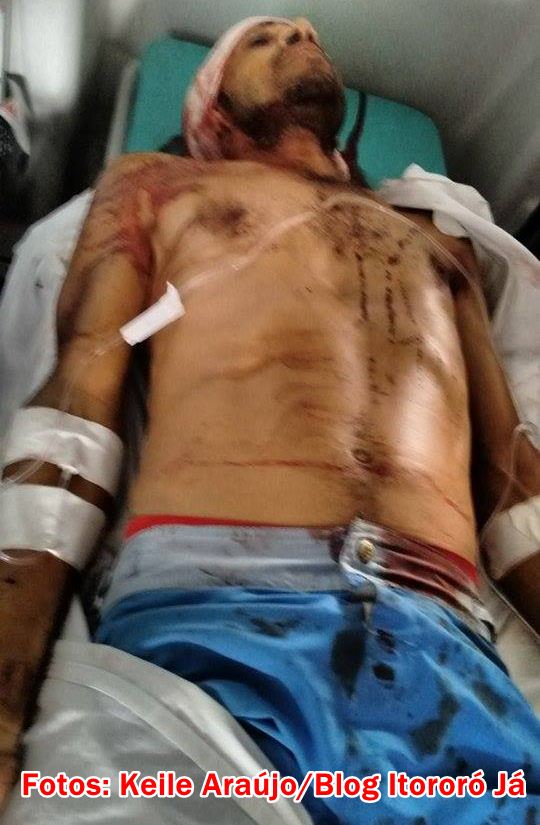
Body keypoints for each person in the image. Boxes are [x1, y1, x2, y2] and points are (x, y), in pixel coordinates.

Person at [0, 16, 539, 823]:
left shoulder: (435, 239)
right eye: (264, 40)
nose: (299, 36)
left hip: (448, 662)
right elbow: (76, 400)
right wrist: (7, 697)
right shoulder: (158, 187)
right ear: (212, 112)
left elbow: (512, 482)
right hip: (212, 627)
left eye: (305, 33)